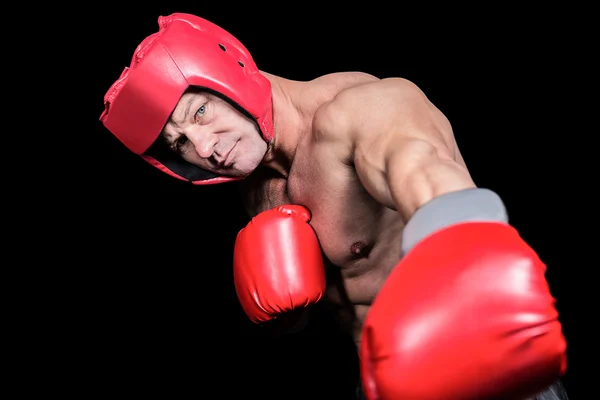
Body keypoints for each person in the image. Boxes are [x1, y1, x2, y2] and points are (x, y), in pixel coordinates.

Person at [100, 13, 569, 400]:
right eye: (179, 143)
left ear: (229, 75)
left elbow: (423, 169)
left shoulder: (359, 112)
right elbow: (329, 302)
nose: (203, 147)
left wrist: (480, 276)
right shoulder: (257, 187)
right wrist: (284, 313)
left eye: (198, 113)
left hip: (480, 359)